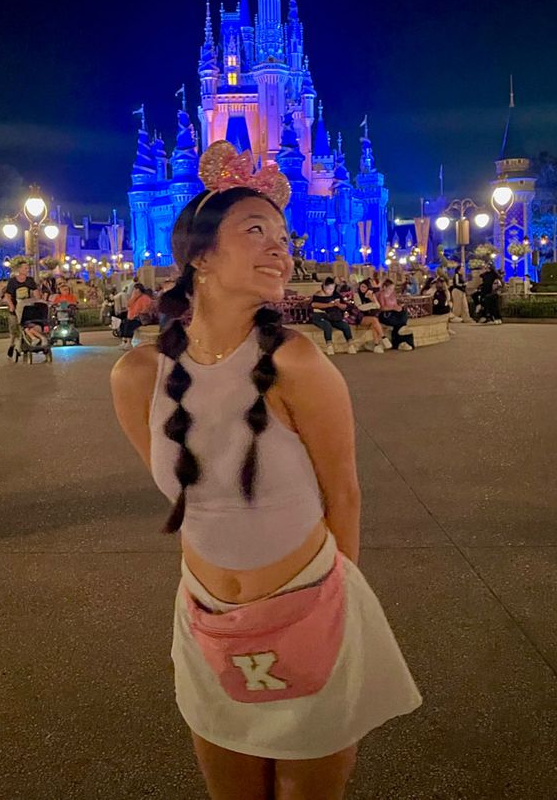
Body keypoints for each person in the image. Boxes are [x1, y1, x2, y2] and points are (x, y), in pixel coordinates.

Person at [110, 182, 421, 800]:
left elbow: (345, 496)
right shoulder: (137, 376)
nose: (280, 248)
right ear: (200, 255)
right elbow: (192, 502)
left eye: (283, 237)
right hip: (207, 622)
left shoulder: (298, 363)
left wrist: (335, 608)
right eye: (255, 231)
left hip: (312, 613)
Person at [310, 277, 358, 355]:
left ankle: (350, 344)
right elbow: (313, 304)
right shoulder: (318, 295)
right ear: (324, 287)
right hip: (320, 316)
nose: (331, 291)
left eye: (332, 288)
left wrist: (338, 304)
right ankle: (329, 346)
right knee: (327, 326)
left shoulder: (336, 295)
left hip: (333, 316)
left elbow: (345, 306)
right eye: (329, 289)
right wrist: (328, 305)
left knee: (345, 326)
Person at [4, 261, 38, 358]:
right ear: (19, 270)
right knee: (14, 328)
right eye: (25, 268)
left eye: (28, 268)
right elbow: (7, 295)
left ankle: (24, 344)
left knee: (26, 324)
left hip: (26, 307)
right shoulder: (13, 281)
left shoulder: (30, 280)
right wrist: (11, 305)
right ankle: (12, 344)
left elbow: (36, 293)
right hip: (15, 307)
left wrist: (37, 300)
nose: (27, 270)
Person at [377, 279, 415, 351]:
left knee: (403, 315)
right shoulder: (381, 295)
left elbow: (395, 304)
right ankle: (403, 343)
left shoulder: (392, 295)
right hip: (386, 314)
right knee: (401, 324)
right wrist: (393, 308)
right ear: (385, 287)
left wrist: (398, 307)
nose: (391, 290)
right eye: (390, 288)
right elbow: (382, 308)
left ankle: (400, 343)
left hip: (394, 313)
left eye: (392, 289)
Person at [353, 281, 391, 352]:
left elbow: (378, 306)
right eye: (362, 286)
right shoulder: (357, 295)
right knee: (374, 320)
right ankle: (383, 337)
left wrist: (372, 299)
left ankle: (376, 345)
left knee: (375, 323)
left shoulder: (370, 294)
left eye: (365, 287)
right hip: (360, 316)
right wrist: (371, 305)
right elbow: (360, 307)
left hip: (370, 316)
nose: (363, 289)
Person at [119, 283, 154, 348]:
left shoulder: (145, 298)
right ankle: (124, 340)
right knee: (124, 323)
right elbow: (128, 305)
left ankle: (129, 342)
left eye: (136, 290)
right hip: (133, 317)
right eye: (134, 290)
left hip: (141, 318)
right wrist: (134, 297)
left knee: (130, 323)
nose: (134, 291)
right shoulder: (134, 297)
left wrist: (137, 314)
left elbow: (145, 310)